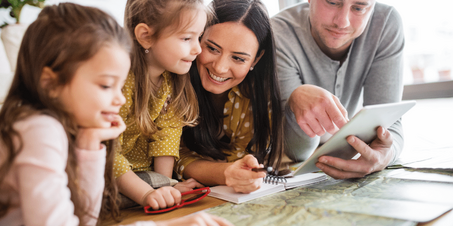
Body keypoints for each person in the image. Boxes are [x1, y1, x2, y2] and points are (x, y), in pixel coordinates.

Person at [0, 3, 232, 226]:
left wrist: (91, 144)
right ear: (50, 84)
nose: (119, 98)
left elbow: (85, 220)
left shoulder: (68, 130)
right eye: (105, 86)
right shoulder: (40, 131)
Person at [270, 0, 405, 179]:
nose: (342, 22)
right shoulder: (277, 33)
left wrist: (386, 154)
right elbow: (295, 151)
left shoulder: (386, 22)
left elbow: (390, 123)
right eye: (332, 2)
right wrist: (295, 101)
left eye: (358, 8)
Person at [176, 0, 285, 194]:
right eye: (212, 49)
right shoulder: (173, 81)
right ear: (198, 38)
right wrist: (226, 172)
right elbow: (172, 156)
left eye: (238, 58)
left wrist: (237, 172)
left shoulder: (258, 95)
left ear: (256, 59)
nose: (219, 67)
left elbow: (243, 159)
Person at [114, 0, 210, 210]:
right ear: (146, 37)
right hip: (108, 172)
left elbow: (166, 139)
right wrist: (149, 193)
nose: (197, 49)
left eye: (198, 37)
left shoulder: (173, 80)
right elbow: (107, 154)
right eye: (186, 38)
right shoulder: (119, 82)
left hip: (145, 177)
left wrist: (166, 189)